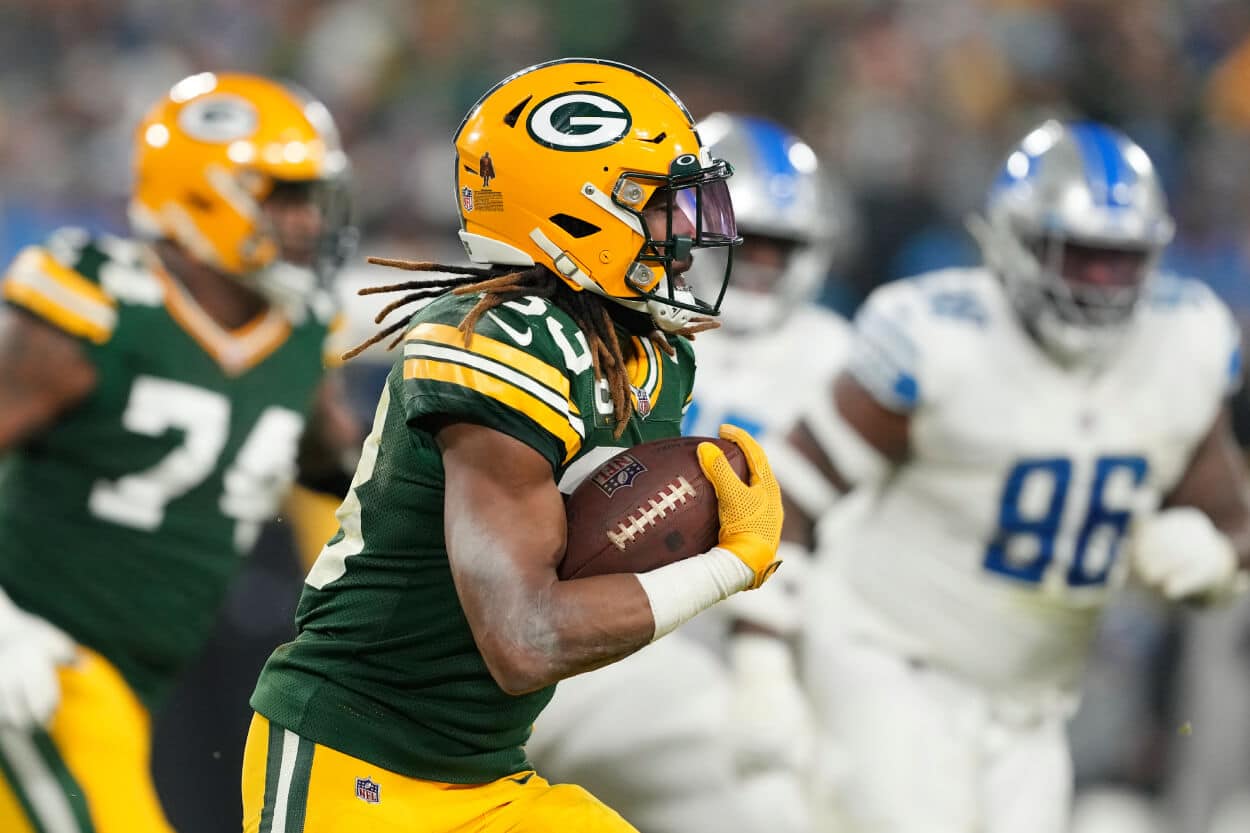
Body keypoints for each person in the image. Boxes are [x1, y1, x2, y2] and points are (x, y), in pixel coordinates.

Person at [241, 58, 786, 833]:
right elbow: (525, 639)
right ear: (579, 211)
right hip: (357, 767)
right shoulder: (495, 341)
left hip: (488, 773)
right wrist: (728, 564)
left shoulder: (652, 359)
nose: (690, 230)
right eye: (661, 204)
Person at [782, 120, 1250, 833]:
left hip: (1035, 704)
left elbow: (1231, 514)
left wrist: (1218, 558)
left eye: (1119, 261)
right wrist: (762, 651)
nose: (1099, 283)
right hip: (891, 662)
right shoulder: (936, 334)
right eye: (1079, 256)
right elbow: (785, 491)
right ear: (1013, 240)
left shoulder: (1185, 341)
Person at [0, 72, 360, 833]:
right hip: (38, 658)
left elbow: (354, 484)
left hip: (125, 689)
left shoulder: (298, 338)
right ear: (204, 191)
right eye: (284, 196)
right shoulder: (97, 304)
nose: (306, 221)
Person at [526, 112, 850, 833]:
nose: (757, 264)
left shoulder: (836, 357)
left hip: (737, 644)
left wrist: (772, 665)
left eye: (779, 247)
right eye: (742, 242)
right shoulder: (612, 319)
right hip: (587, 617)